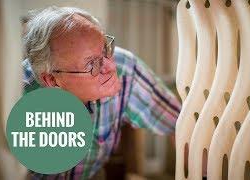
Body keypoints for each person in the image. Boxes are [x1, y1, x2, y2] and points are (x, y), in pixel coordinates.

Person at [23, 6, 181, 179]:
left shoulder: (124, 67)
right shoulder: (16, 94)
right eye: (92, 64)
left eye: (105, 49)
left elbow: (180, 122)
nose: (111, 66)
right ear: (52, 81)